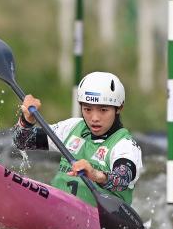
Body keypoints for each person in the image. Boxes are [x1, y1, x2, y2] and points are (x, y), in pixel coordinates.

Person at [13, 72, 142, 206]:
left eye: (103, 110)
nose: (94, 118)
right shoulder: (72, 127)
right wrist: (27, 120)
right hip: (57, 206)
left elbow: (123, 178)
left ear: (119, 108)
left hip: (98, 219)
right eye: (87, 109)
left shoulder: (125, 145)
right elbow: (22, 141)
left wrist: (95, 174)